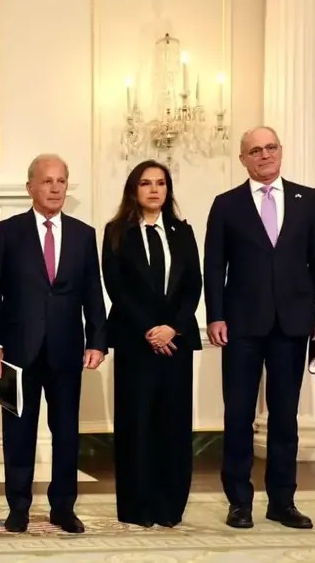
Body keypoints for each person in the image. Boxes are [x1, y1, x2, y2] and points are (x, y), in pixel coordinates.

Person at [204, 126, 315, 530]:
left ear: (281, 151)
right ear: (243, 159)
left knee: (284, 417)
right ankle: (239, 502)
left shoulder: (307, 199)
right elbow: (214, 265)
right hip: (241, 325)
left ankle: (282, 501)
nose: (265, 155)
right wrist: (215, 315)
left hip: (293, 323)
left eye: (271, 148)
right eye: (255, 150)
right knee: (238, 415)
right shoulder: (226, 204)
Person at [0, 154, 107, 534]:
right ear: (30, 187)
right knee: (18, 432)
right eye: (47, 181)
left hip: (67, 349)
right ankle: (18, 507)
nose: (55, 188)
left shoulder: (84, 234)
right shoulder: (8, 231)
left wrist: (97, 340)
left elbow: (93, 292)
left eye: (61, 181)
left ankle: (63, 508)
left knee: (66, 432)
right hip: (17, 349)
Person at [101, 160, 202, 528]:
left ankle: (169, 506)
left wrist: (172, 328)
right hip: (135, 343)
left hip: (176, 343)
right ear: (134, 189)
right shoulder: (116, 232)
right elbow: (116, 287)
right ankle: (137, 507)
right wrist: (149, 329)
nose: (154, 189)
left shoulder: (182, 231)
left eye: (160, 183)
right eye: (146, 183)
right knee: (137, 425)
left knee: (173, 425)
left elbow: (193, 285)